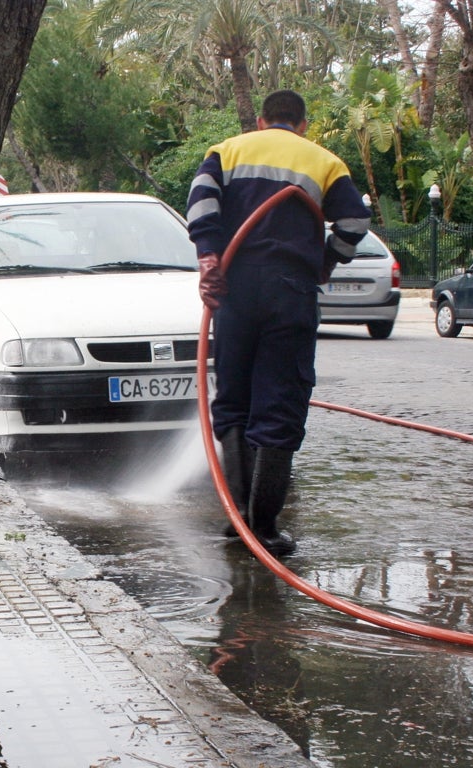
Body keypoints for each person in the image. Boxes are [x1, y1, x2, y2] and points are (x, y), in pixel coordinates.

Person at [186, 89, 370, 555]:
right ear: (302, 124)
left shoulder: (228, 151)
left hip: (234, 288)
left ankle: (238, 522)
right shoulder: (325, 162)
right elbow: (353, 223)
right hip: (291, 292)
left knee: (233, 399)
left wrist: (209, 259)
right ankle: (263, 529)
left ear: (263, 121)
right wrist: (325, 264)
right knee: (280, 403)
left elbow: (201, 202)